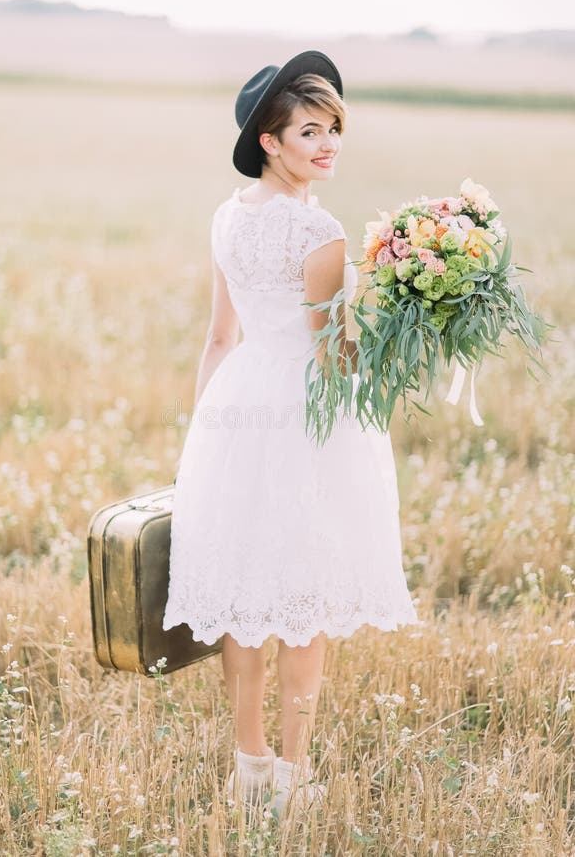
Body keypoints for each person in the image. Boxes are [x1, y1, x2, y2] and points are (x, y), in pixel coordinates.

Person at [162, 50, 419, 820]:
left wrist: (200, 441)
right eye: (311, 130)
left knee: (245, 590)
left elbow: (217, 337)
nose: (329, 143)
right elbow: (332, 354)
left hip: (238, 408)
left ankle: (249, 765)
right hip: (307, 414)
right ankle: (293, 777)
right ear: (270, 141)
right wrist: (399, 326)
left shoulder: (227, 216)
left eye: (334, 127)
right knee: (303, 592)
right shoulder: (320, 229)